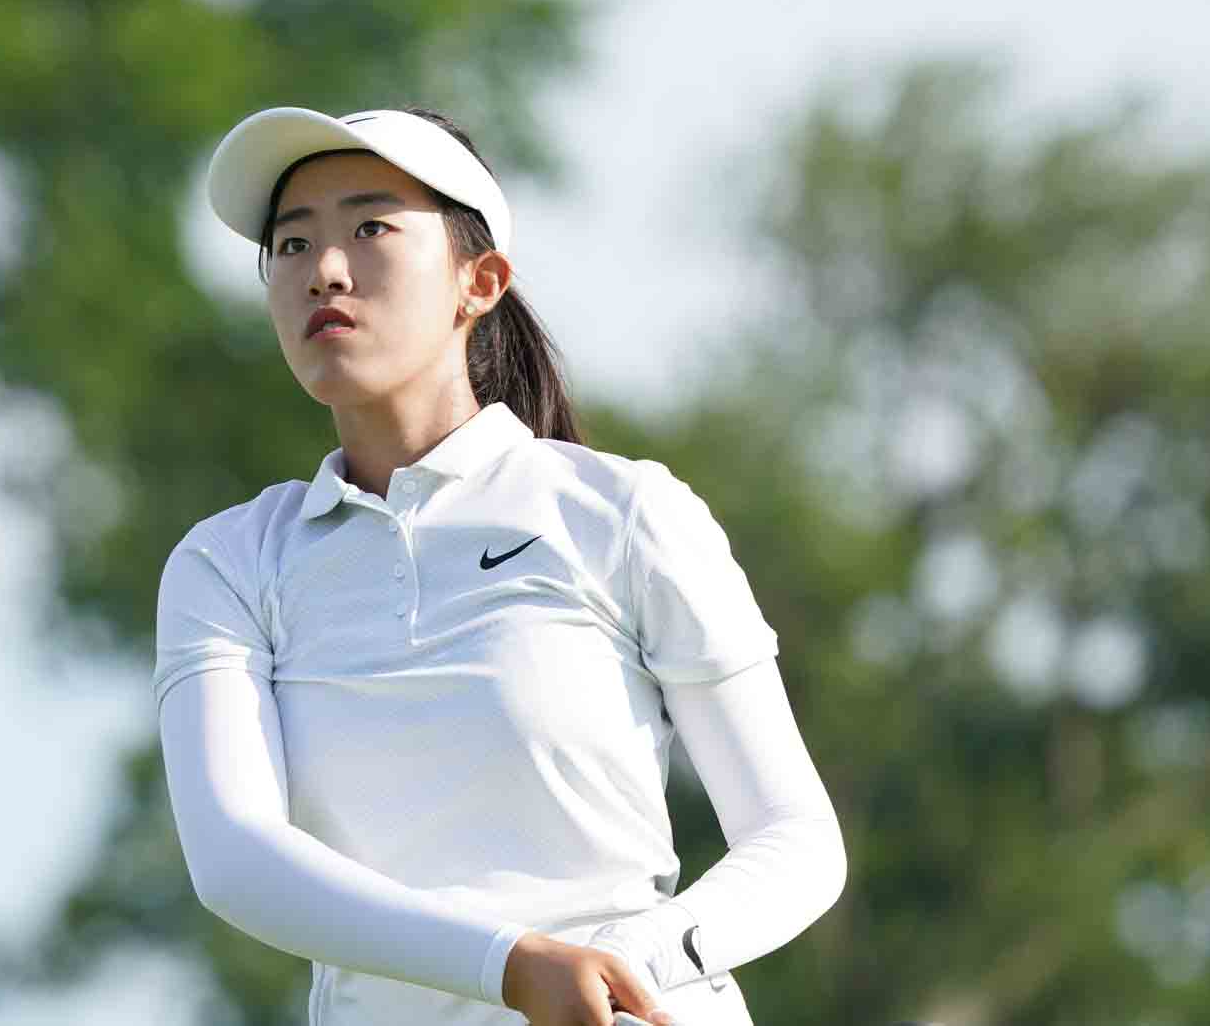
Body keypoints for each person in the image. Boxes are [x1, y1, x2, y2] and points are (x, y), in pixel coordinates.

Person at [152, 105, 846, 1026]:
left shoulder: (624, 511)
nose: (323, 267)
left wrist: (622, 962)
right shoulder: (229, 562)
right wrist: (508, 964)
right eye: (290, 243)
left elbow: (797, 840)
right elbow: (236, 856)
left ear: (478, 282)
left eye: (370, 227)